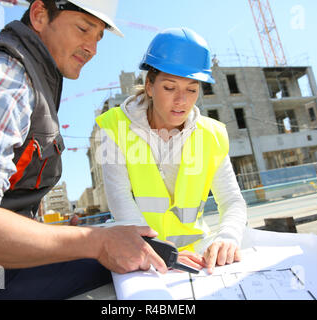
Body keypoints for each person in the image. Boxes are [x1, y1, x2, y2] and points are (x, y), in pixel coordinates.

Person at [0, 0, 168, 300]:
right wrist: (94, 242)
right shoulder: (1, 73)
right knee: (129, 274)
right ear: (39, 15)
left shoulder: (36, 78)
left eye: (99, 37)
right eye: (83, 28)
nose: (92, 48)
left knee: (139, 259)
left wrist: (65, 233)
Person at [96, 28, 247, 274]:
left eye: (191, 89)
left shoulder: (212, 136)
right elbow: (119, 199)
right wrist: (159, 251)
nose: (181, 101)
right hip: (141, 256)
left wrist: (228, 237)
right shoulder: (114, 128)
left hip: (199, 260)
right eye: (169, 88)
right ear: (149, 86)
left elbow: (232, 201)